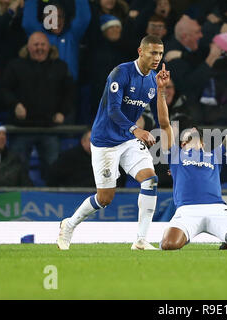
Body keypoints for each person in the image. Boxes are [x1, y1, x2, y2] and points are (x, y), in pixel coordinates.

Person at [57, 35, 164, 251]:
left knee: (150, 180)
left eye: (160, 53)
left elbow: (158, 113)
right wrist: (137, 129)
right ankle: (69, 224)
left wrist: (161, 92)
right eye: (153, 53)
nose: (157, 58)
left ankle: (141, 240)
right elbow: (113, 110)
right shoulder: (121, 73)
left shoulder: (153, 80)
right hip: (105, 140)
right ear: (140, 51)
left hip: (128, 139)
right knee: (105, 199)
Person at [156, 65, 227, 250]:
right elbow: (164, 124)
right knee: (168, 245)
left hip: (217, 209)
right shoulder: (175, 155)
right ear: (182, 143)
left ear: (203, 143)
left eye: (196, 132)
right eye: (188, 134)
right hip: (187, 211)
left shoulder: (216, 155)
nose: (193, 131)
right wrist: (161, 91)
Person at [0, 31, 75, 180]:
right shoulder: (15, 66)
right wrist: (15, 104)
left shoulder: (60, 66)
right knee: (16, 169)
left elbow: (70, 93)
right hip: (22, 128)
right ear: (28, 47)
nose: (39, 48)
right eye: (35, 45)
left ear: (48, 47)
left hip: (50, 127)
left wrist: (62, 112)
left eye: (42, 44)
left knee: (53, 169)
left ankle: (53, 200)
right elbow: (3, 89)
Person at [22, 0, 91, 82]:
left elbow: (84, 18)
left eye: (60, 16)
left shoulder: (72, 35)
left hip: (69, 88)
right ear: (45, 19)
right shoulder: (38, 34)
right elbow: (28, 21)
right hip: (41, 88)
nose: (56, 20)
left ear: (65, 18)